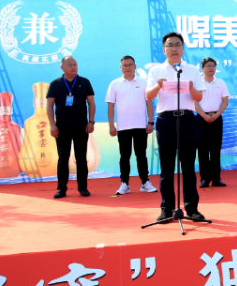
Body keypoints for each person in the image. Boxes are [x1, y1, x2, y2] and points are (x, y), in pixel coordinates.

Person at [146, 32, 207, 221]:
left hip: (187, 119)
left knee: (188, 166)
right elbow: (148, 95)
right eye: (170, 45)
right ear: (164, 49)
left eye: (178, 44)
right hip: (166, 120)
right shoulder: (156, 71)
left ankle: (192, 209)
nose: (174, 48)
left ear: (183, 48)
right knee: (167, 166)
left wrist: (190, 87)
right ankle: (166, 209)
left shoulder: (192, 70)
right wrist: (158, 86)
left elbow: (199, 97)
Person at [106, 55, 159, 195]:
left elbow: (149, 103)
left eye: (130, 64)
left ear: (135, 66)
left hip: (140, 125)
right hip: (123, 126)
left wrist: (150, 122)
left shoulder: (144, 82)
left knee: (141, 155)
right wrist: (111, 125)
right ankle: (124, 184)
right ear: (120, 68)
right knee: (124, 156)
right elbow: (110, 106)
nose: (128, 67)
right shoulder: (115, 84)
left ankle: (145, 182)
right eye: (125, 65)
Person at [47, 56, 96, 198]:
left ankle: (83, 187)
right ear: (62, 67)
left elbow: (91, 103)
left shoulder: (84, 82)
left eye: (75, 64)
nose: (73, 67)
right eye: (70, 65)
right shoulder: (55, 84)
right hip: (61, 127)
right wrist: (52, 125)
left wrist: (91, 122)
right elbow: (49, 105)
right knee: (63, 158)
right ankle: (61, 189)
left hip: (81, 127)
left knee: (81, 158)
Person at [195, 57, 230, 188]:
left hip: (217, 118)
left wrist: (217, 114)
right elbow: (194, 102)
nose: (211, 68)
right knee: (202, 150)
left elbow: (225, 101)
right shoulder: (197, 83)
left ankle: (216, 178)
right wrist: (203, 115)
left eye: (213, 66)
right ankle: (205, 179)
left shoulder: (220, 83)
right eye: (208, 66)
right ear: (202, 68)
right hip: (201, 119)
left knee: (215, 149)